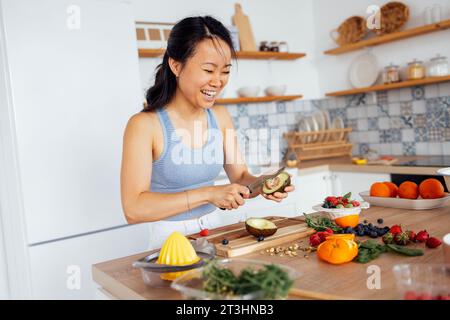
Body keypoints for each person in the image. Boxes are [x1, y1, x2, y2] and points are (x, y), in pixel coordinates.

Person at [120, 16, 295, 248]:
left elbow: (241, 177)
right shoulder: (144, 125)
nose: (218, 81)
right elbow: (133, 209)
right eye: (209, 70)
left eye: (225, 71)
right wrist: (208, 194)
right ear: (176, 66)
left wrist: (263, 183)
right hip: (169, 240)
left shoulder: (220, 117)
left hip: (215, 230)